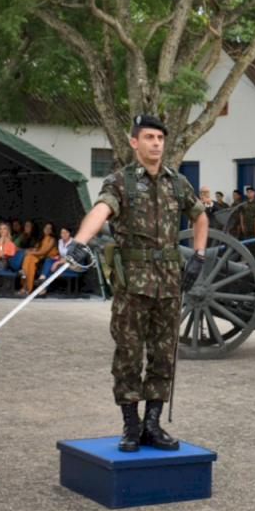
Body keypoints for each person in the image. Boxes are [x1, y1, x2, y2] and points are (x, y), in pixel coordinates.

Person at [65, 114, 208, 453]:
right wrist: (80, 241)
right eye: (149, 137)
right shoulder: (121, 182)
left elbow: (200, 215)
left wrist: (199, 256)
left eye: (160, 137)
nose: (156, 143)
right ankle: (130, 425)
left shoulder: (178, 183)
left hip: (170, 285)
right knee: (128, 355)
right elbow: (101, 210)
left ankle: (152, 424)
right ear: (134, 143)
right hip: (133, 285)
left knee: (163, 355)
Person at [18, 221, 58, 295]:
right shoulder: (41, 239)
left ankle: (26, 287)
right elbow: (36, 249)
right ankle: (25, 284)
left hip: (46, 260)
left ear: (52, 231)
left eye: (50, 228)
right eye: (46, 228)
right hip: (38, 257)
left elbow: (44, 252)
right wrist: (29, 251)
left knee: (29, 257)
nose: (47, 230)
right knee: (28, 258)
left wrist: (31, 252)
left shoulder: (52, 239)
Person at [240, 185, 255, 262]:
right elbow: (242, 214)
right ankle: (248, 261)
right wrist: (242, 225)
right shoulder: (244, 203)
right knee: (247, 245)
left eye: (250, 192)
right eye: (248, 192)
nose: (249, 193)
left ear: (254, 193)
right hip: (247, 227)